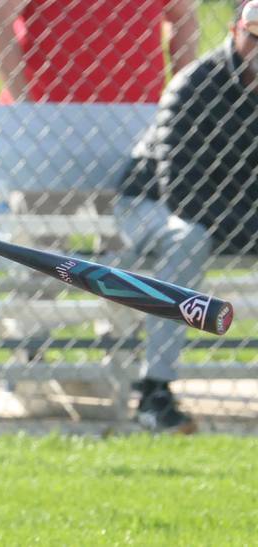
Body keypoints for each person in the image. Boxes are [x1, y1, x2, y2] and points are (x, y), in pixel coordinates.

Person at [115, 0, 258, 433]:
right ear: (235, 30)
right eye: (254, 37)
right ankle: (154, 391)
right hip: (149, 205)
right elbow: (182, 194)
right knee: (189, 239)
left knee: (195, 234)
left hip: (229, 215)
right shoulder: (196, 83)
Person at [0, 0, 199, 103]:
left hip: (139, 121)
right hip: (50, 124)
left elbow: (184, 17)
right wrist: (26, 108)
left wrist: (180, 101)